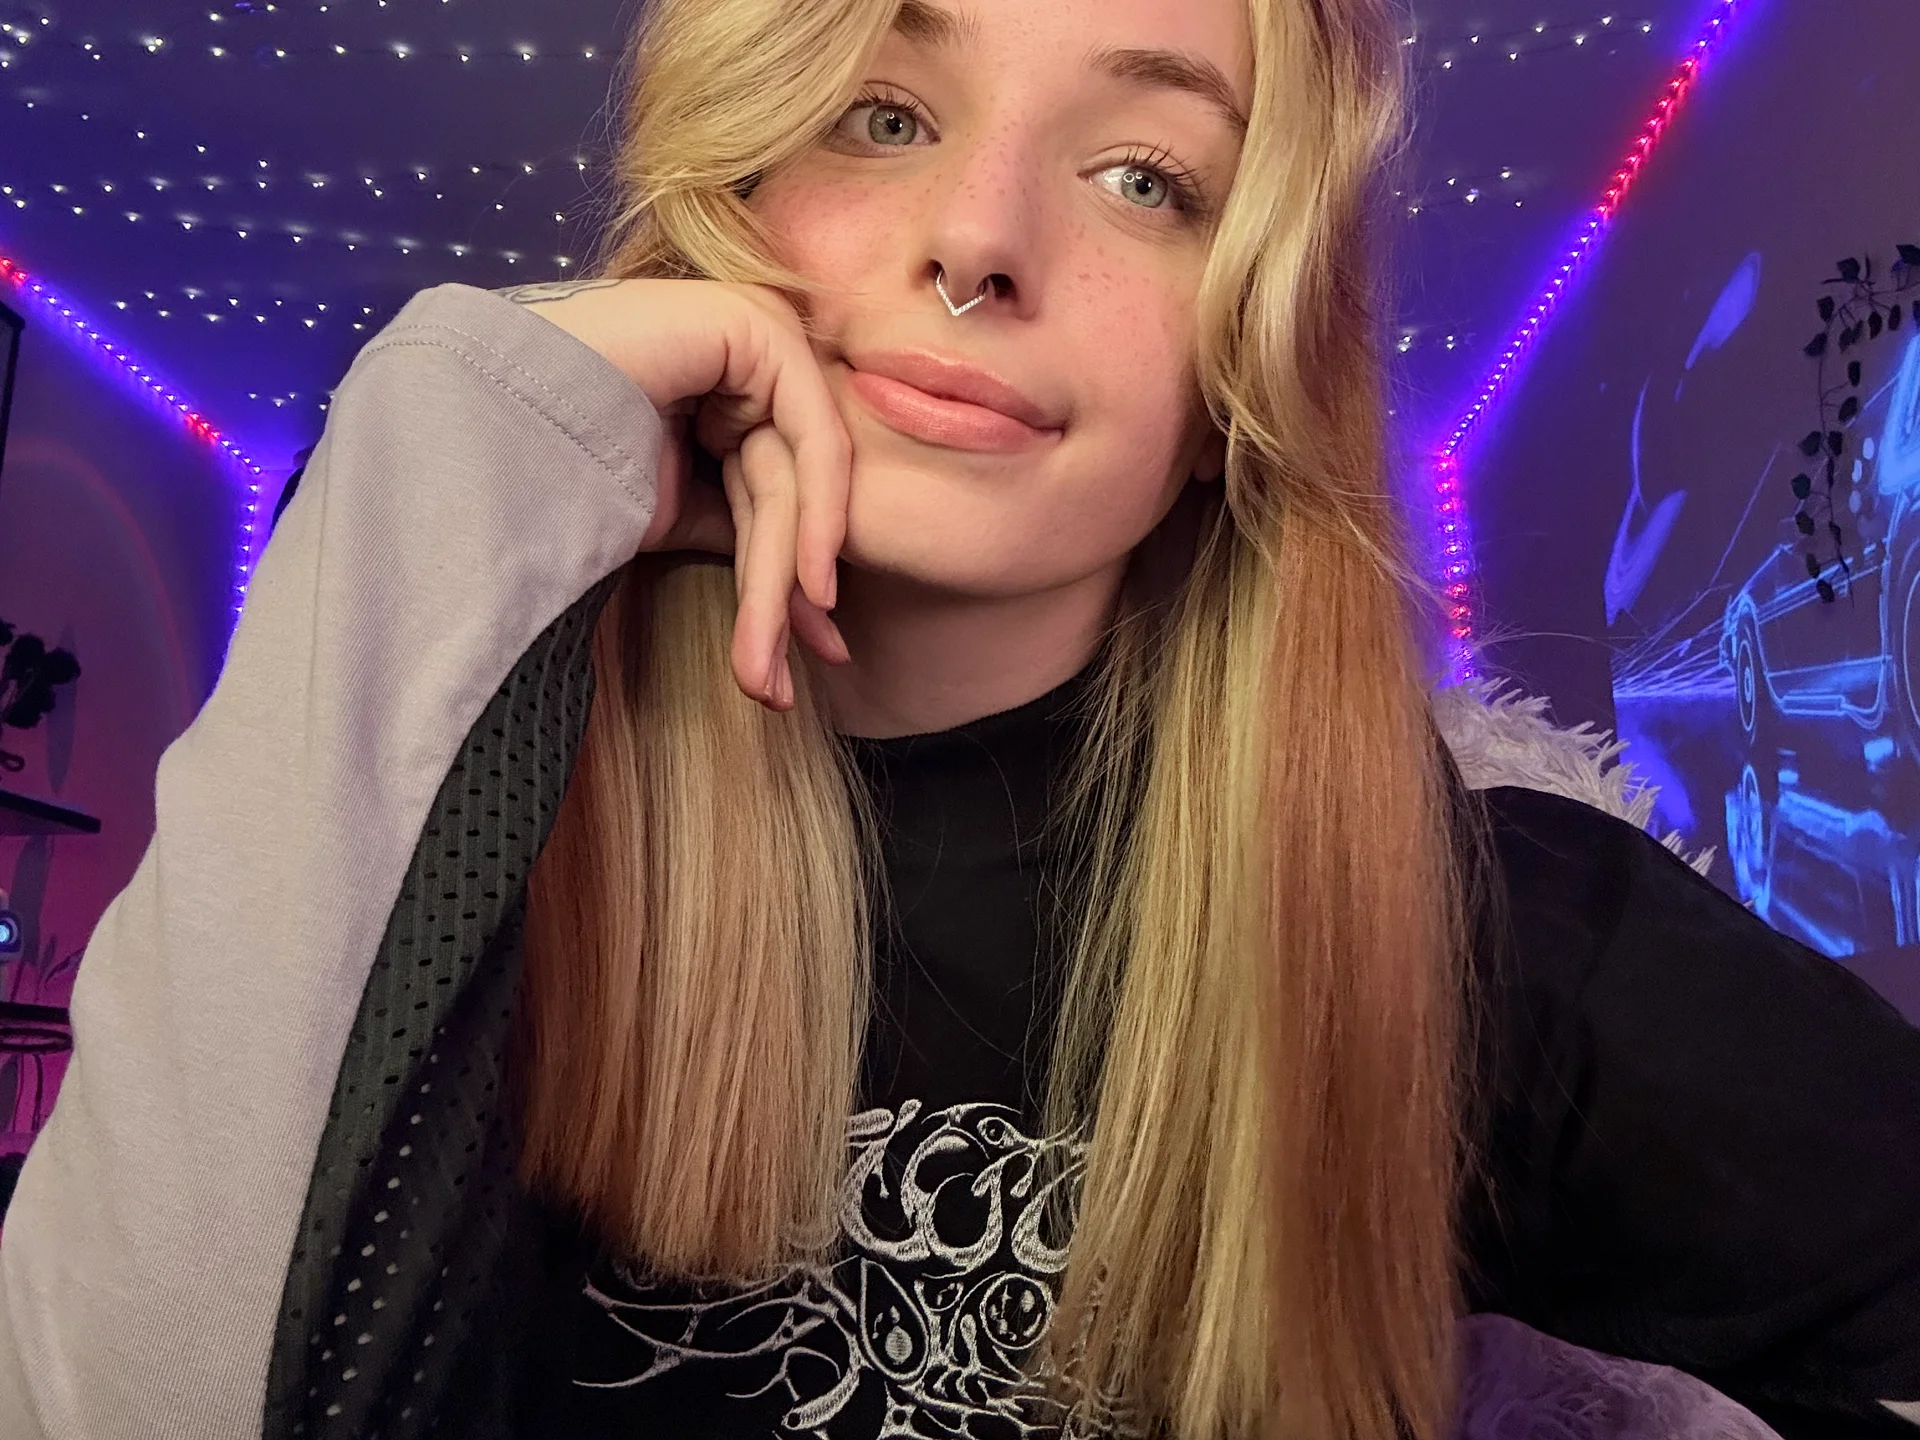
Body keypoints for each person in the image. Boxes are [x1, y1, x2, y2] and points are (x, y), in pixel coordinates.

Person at [0, 0, 1916, 1437]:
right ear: (733, 200)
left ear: (1239, 367)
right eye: (884, 112)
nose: (980, 238)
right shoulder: (459, 824)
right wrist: (453, 450)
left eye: (1147, 178)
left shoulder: (1464, 915)